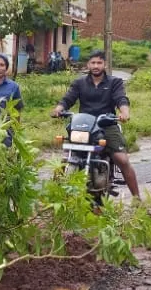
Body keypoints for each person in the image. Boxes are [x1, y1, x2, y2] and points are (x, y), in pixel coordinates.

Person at [52, 50, 141, 199]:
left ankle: (137, 199)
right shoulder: (79, 83)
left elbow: (121, 99)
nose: (96, 66)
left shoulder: (114, 82)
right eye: (93, 62)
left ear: (104, 64)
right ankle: (56, 197)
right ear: (88, 64)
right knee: (65, 158)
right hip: (84, 126)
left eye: (99, 63)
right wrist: (58, 109)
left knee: (122, 159)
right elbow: (68, 99)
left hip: (106, 124)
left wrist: (124, 112)